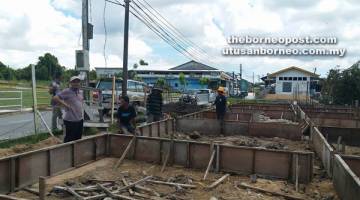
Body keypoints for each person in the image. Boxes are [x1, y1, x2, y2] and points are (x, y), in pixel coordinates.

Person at [53, 76, 84, 142]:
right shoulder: (67, 91)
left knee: (78, 139)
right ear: (70, 83)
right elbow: (55, 98)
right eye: (74, 82)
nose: (76, 83)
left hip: (79, 120)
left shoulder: (80, 92)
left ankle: (76, 152)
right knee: (69, 140)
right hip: (70, 121)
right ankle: (66, 152)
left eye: (77, 81)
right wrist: (65, 105)